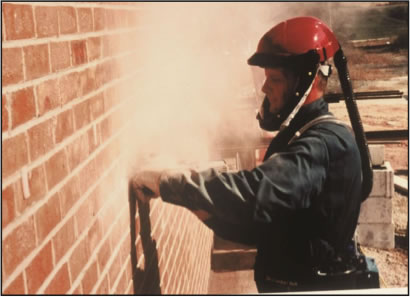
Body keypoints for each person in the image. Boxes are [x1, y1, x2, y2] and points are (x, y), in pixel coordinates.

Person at [131, 16, 379, 292]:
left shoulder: (321, 146)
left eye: (274, 78)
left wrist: (169, 181)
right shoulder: (308, 135)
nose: (264, 88)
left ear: (303, 83)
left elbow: (253, 195)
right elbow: (263, 227)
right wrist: (198, 203)